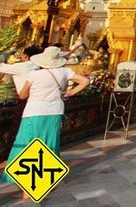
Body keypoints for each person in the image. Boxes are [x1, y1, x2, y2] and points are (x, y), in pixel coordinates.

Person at [1, 46, 90, 190]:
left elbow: (22, 95)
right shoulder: (65, 71)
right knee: (49, 141)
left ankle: (19, 175)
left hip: (34, 110)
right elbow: (85, 82)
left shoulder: (34, 75)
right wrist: (70, 93)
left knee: (25, 140)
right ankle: (46, 177)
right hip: (55, 110)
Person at [0, 45, 42, 163]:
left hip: (25, 100)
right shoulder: (38, 67)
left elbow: (2, 67)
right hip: (38, 100)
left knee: (17, 128)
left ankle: (10, 158)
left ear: (25, 56)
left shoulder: (22, 66)